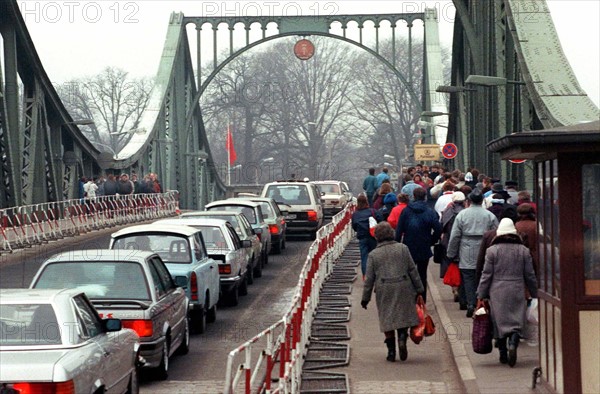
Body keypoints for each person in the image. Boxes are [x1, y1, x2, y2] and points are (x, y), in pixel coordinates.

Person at [477, 218, 538, 367]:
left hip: (497, 290)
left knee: (499, 322)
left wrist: (481, 294)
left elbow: (486, 274)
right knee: (517, 320)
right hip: (517, 288)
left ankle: (503, 353)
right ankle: (514, 341)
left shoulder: (492, 251)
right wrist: (535, 292)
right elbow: (529, 274)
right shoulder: (523, 250)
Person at [361, 221, 424, 362]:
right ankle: (402, 336)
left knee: (387, 318)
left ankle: (391, 351)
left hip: (384, 289)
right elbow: (412, 269)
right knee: (402, 315)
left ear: (377, 236)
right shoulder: (403, 248)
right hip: (404, 286)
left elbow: (369, 278)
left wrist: (365, 298)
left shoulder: (373, 255)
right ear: (391, 233)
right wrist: (419, 288)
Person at [446, 189, 498, 317]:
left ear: (468, 201)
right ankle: (483, 303)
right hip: (485, 248)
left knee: (468, 277)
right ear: (482, 201)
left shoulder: (462, 215)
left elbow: (455, 236)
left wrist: (451, 253)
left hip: (466, 248)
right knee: (483, 276)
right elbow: (496, 232)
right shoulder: (489, 215)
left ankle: (471, 304)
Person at [395, 187, 441, 303]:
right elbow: (438, 228)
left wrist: (396, 244)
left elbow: (399, 229)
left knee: (407, 273)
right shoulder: (429, 211)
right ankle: (421, 299)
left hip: (408, 245)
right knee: (422, 274)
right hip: (424, 245)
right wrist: (432, 240)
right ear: (425, 197)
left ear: (413, 197)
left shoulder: (406, 211)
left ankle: (409, 299)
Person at [439, 191, 467, 302]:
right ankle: (462, 289)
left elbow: (442, 225)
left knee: (451, 264)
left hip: (447, 241)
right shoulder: (465, 212)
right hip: (463, 241)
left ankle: (454, 288)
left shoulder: (447, 211)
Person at [351, 195, 377, 280]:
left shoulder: (355, 214)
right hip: (373, 236)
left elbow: (354, 226)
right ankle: (375, 274)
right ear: (366, 202)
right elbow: (380, 219)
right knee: (374, 255)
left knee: (364, 256)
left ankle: (365, 276)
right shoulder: (372, 211)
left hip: (362, 237)